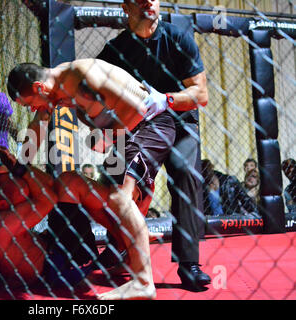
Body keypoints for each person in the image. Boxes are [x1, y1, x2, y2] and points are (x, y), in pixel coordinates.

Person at [7, 56, 186, 298]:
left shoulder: (80, 77)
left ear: (40, 88)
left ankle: (144, 283)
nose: (31, 109)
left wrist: (106, 138)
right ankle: (127, 240)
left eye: (29, 103)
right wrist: (18, 168)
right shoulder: (55, 94)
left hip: (150, 125)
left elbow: (138, 109)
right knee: (70, 182)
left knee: (122, 198)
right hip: (124, 138)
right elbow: (39, 125)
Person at [96, 0, 210, 289]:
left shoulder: (178, 38)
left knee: (186, 173)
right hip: (137, 123)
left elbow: (201, 93)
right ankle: (117, 245)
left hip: (181, 120)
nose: (149, 1)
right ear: (126, 7)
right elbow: (93, 89)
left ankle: (189, 264)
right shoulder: (115, 50)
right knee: (112, 172)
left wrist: (166, 99)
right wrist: (101, 128)